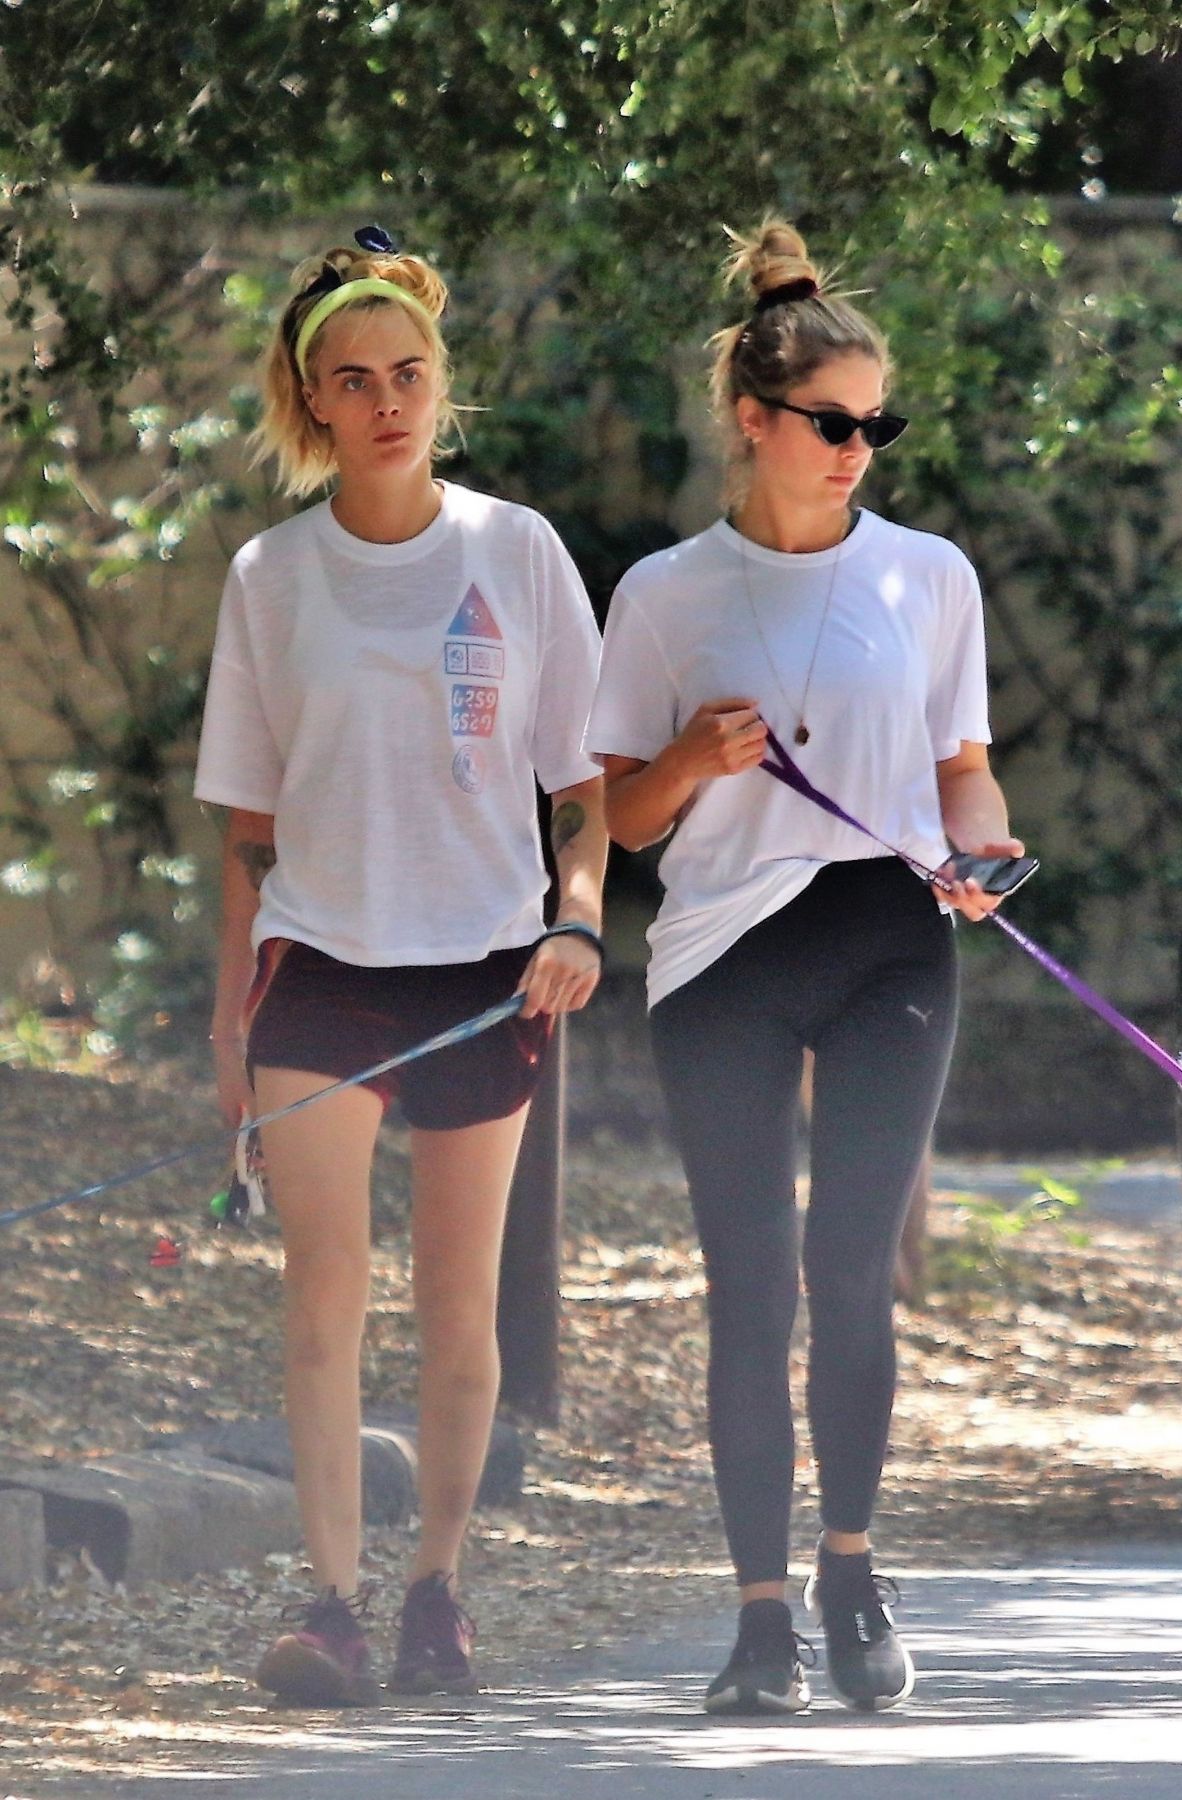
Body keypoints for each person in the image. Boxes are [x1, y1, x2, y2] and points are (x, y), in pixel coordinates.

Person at [584, 219, 1024, 1716]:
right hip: (721, 956)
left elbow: (967, 775)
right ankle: (759, 1619)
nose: (857, 448)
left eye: (875, 425)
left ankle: (851, 1576)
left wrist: (987, 857)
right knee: (748, 1287)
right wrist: (692, 760)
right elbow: (614, 821)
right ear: (754, 424)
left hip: (894, 932)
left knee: (852, 1273)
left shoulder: (932, 576)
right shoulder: (665, 593)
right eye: (831, 424)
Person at [194, 226, 606, 1705]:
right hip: (323, 970)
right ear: (311, 403)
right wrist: (230, 1032)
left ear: (442, 385)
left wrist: (576, 917)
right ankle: (332, 1607)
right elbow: (247, 826)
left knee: (457, 1305)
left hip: (489, 972)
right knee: (321, 1295)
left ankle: (438, 1591)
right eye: (354, 381)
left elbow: (581, 784)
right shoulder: (271, 574)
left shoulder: (518, 551)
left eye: (409, 374)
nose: (386, 401)